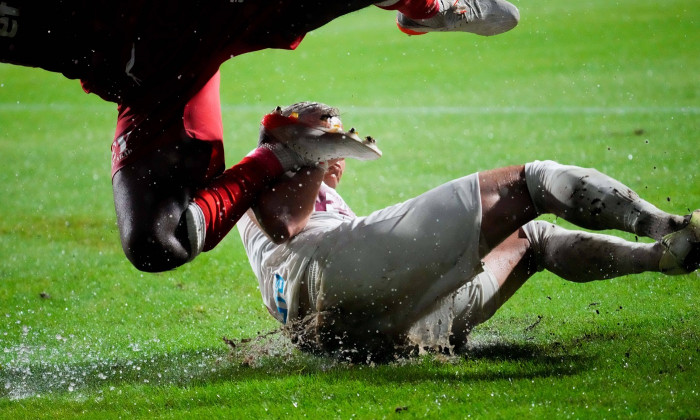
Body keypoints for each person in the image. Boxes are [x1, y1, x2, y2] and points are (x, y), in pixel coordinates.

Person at [0, 0, 519, 272]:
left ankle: (428, 6)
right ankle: (281, 152)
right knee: (156, 243)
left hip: (202, 12)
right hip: (154, 77)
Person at [238, 102, 700, 362]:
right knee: (533, 181)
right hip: (329, 269)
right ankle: (669, 226)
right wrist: (309, 153)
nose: (339, 153)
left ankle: (664, 256)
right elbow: (284, 224)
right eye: (329, 141)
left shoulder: (271, 199)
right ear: (294, 151)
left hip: (345, 331)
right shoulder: (264, 183)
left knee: (532, 241)